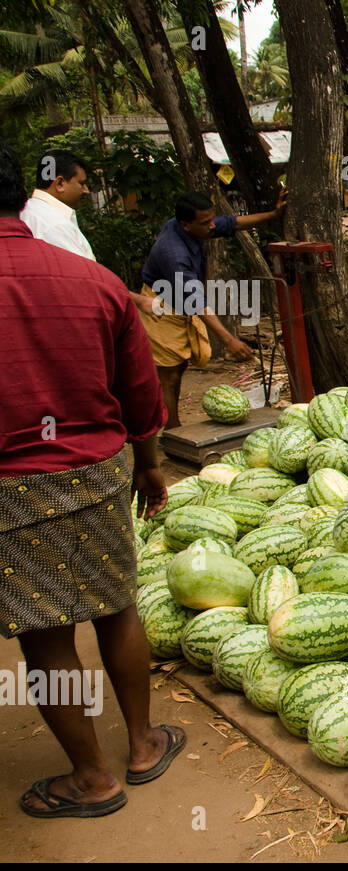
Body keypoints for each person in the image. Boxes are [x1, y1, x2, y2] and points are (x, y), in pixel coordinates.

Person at [0, 145, 184, 818]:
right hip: (99, 470)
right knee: (116, 605)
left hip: (13, 485)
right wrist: (151, 464)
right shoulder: (94, 280)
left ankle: (90, 777)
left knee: (46, 634)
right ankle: (142, 745)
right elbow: (141, 394)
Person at [140, 190, 285, 429]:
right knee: (169, 374)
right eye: (205, 222)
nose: (212, 226)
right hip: (161, 307)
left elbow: (233, 223)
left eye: (212, 219)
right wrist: (229, 340)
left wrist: (273, 214)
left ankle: (172, 427)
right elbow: (195, 300)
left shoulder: (196, 225)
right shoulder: (174, 253)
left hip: (182, 303)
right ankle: (173, 432)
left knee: (180, 366)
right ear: (186, 225)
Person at [20, 149, 94, 260]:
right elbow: (81, 274)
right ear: (60, 183)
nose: (86, 190)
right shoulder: (55, 225)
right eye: (81, 183)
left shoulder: (28, 210)